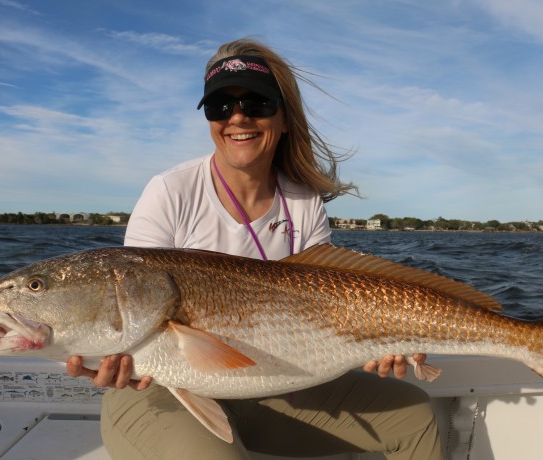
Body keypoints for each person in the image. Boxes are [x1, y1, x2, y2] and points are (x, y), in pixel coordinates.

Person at [67, 38, 444, 460]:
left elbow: (331, 306)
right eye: (220, 107)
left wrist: (383, 339)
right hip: (161, 392)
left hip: (275, 384)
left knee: (417, 418)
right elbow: (130, 308)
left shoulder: (303, 201)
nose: (237, 117)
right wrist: (108, 356)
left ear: (285, 118)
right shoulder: (171, 190)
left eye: (257, 103)